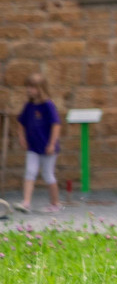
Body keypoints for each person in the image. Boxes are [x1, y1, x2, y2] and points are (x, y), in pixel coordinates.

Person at [17, 74, 65, 213]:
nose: (29, 90)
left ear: (41, 88)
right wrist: (22, 138)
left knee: (47, 174)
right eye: (28, 87)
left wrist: (52, 143)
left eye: (32, 87)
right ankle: (26, 203)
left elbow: (56, 124)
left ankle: (55, 203)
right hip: (33, 147)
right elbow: (21, 123)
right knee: (30, 172)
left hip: (47, 147)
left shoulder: (48, 105)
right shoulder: (28, 106)